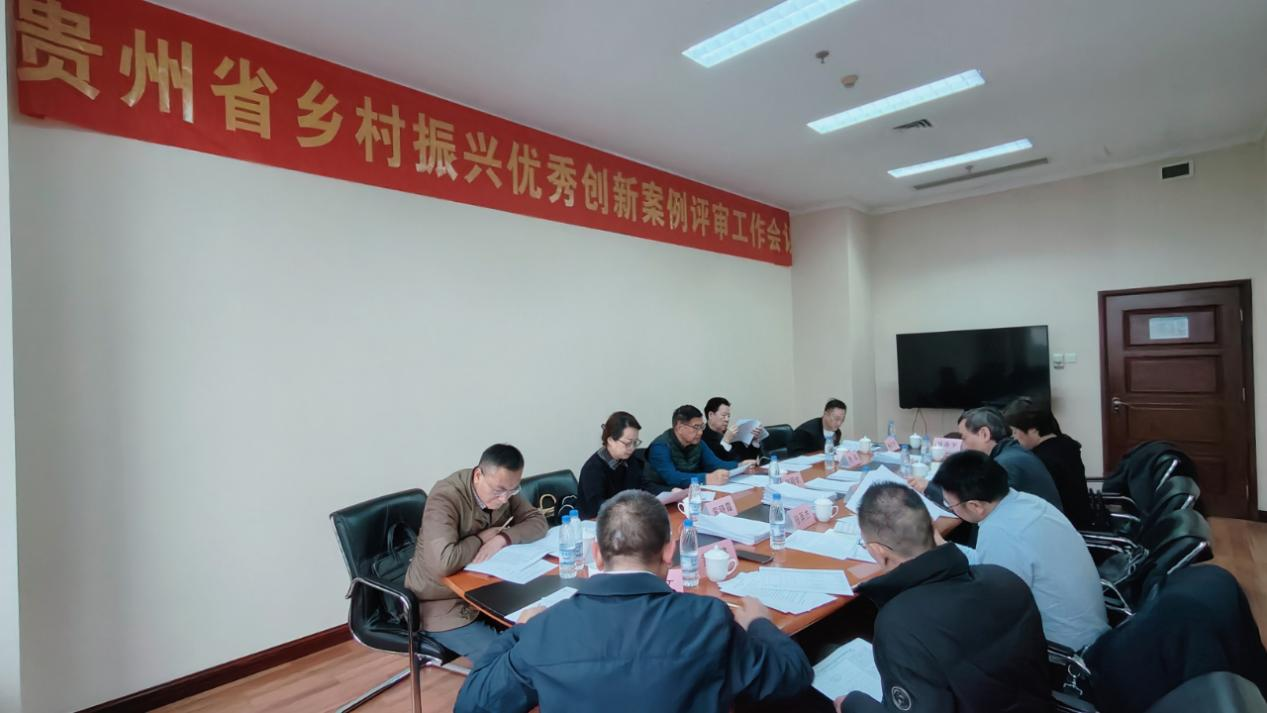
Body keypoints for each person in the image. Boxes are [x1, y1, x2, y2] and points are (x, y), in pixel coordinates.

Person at [454, 490, 814, 713]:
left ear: (597, 554)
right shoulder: (708, 618)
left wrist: (518, 633)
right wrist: (760, 623)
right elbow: (792, 675)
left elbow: (473, 704)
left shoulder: (546, 630)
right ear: (669, 553)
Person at [838, 482, 1052, 713]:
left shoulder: (899, 624)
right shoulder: (1005, 579)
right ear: (933, 529)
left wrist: (852, 704)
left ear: (877, 551)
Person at [934, 451, 1109, 651]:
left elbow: (996, 610)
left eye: (950, 505)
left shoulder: (999, 531)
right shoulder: (1027, 502)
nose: (951, 509)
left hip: (1063, 651)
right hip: (1093, 632)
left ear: (975, 505)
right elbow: (991, 563)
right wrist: (943, 546)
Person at [404, 444, 549, 658]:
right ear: (478, 475)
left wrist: (502, 539)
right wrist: (480, 539)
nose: (505, 499)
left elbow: (537, 521)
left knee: (545, 629)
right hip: (441, 602)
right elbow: (444, 562)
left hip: (488, 590)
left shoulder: (505, 487)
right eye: (499, 491)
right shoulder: (445, 497)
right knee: (506, 657)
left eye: (512, 490)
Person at [909, 406, 1063, 511]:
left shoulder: (1007, 463)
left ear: (984, 434)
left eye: (964, 438)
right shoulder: (1010, 452)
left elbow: (977, 504)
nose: (963, 446)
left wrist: (930, 488)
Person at [1003, 397, 1094, 529]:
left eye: (1015, 432)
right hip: (1081, 518)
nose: (1013, 438)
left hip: (1063, 525)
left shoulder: (1039, 459)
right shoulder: (1065, 444)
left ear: (1033, 430)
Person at [646, 404, 756, 489]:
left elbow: (715, 464)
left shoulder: (698, 442)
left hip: (693, 491)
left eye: (702, 427)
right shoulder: (660, 446)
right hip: (668, 498)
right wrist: (707, 478)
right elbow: (672, 477)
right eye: (696, 427)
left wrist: (739, 466)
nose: (700, 432)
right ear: (680, 428)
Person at [577, 411, 646, 519]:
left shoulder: (631, 460)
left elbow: (643, 486)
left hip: (628, 519)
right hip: (598, 522)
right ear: (610, 440)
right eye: (627, 443)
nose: (632, 448)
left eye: (635, 443)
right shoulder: (592, 469)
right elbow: (596, 507)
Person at [702, 396, 764, 462]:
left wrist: (753, 440)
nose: (727, 419)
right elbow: (715, 463)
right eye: (723, 415)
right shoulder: (702, 437)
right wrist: (725, 441)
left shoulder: (732, 434)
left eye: (728, 416)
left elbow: (749, 459)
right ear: (711, 415)